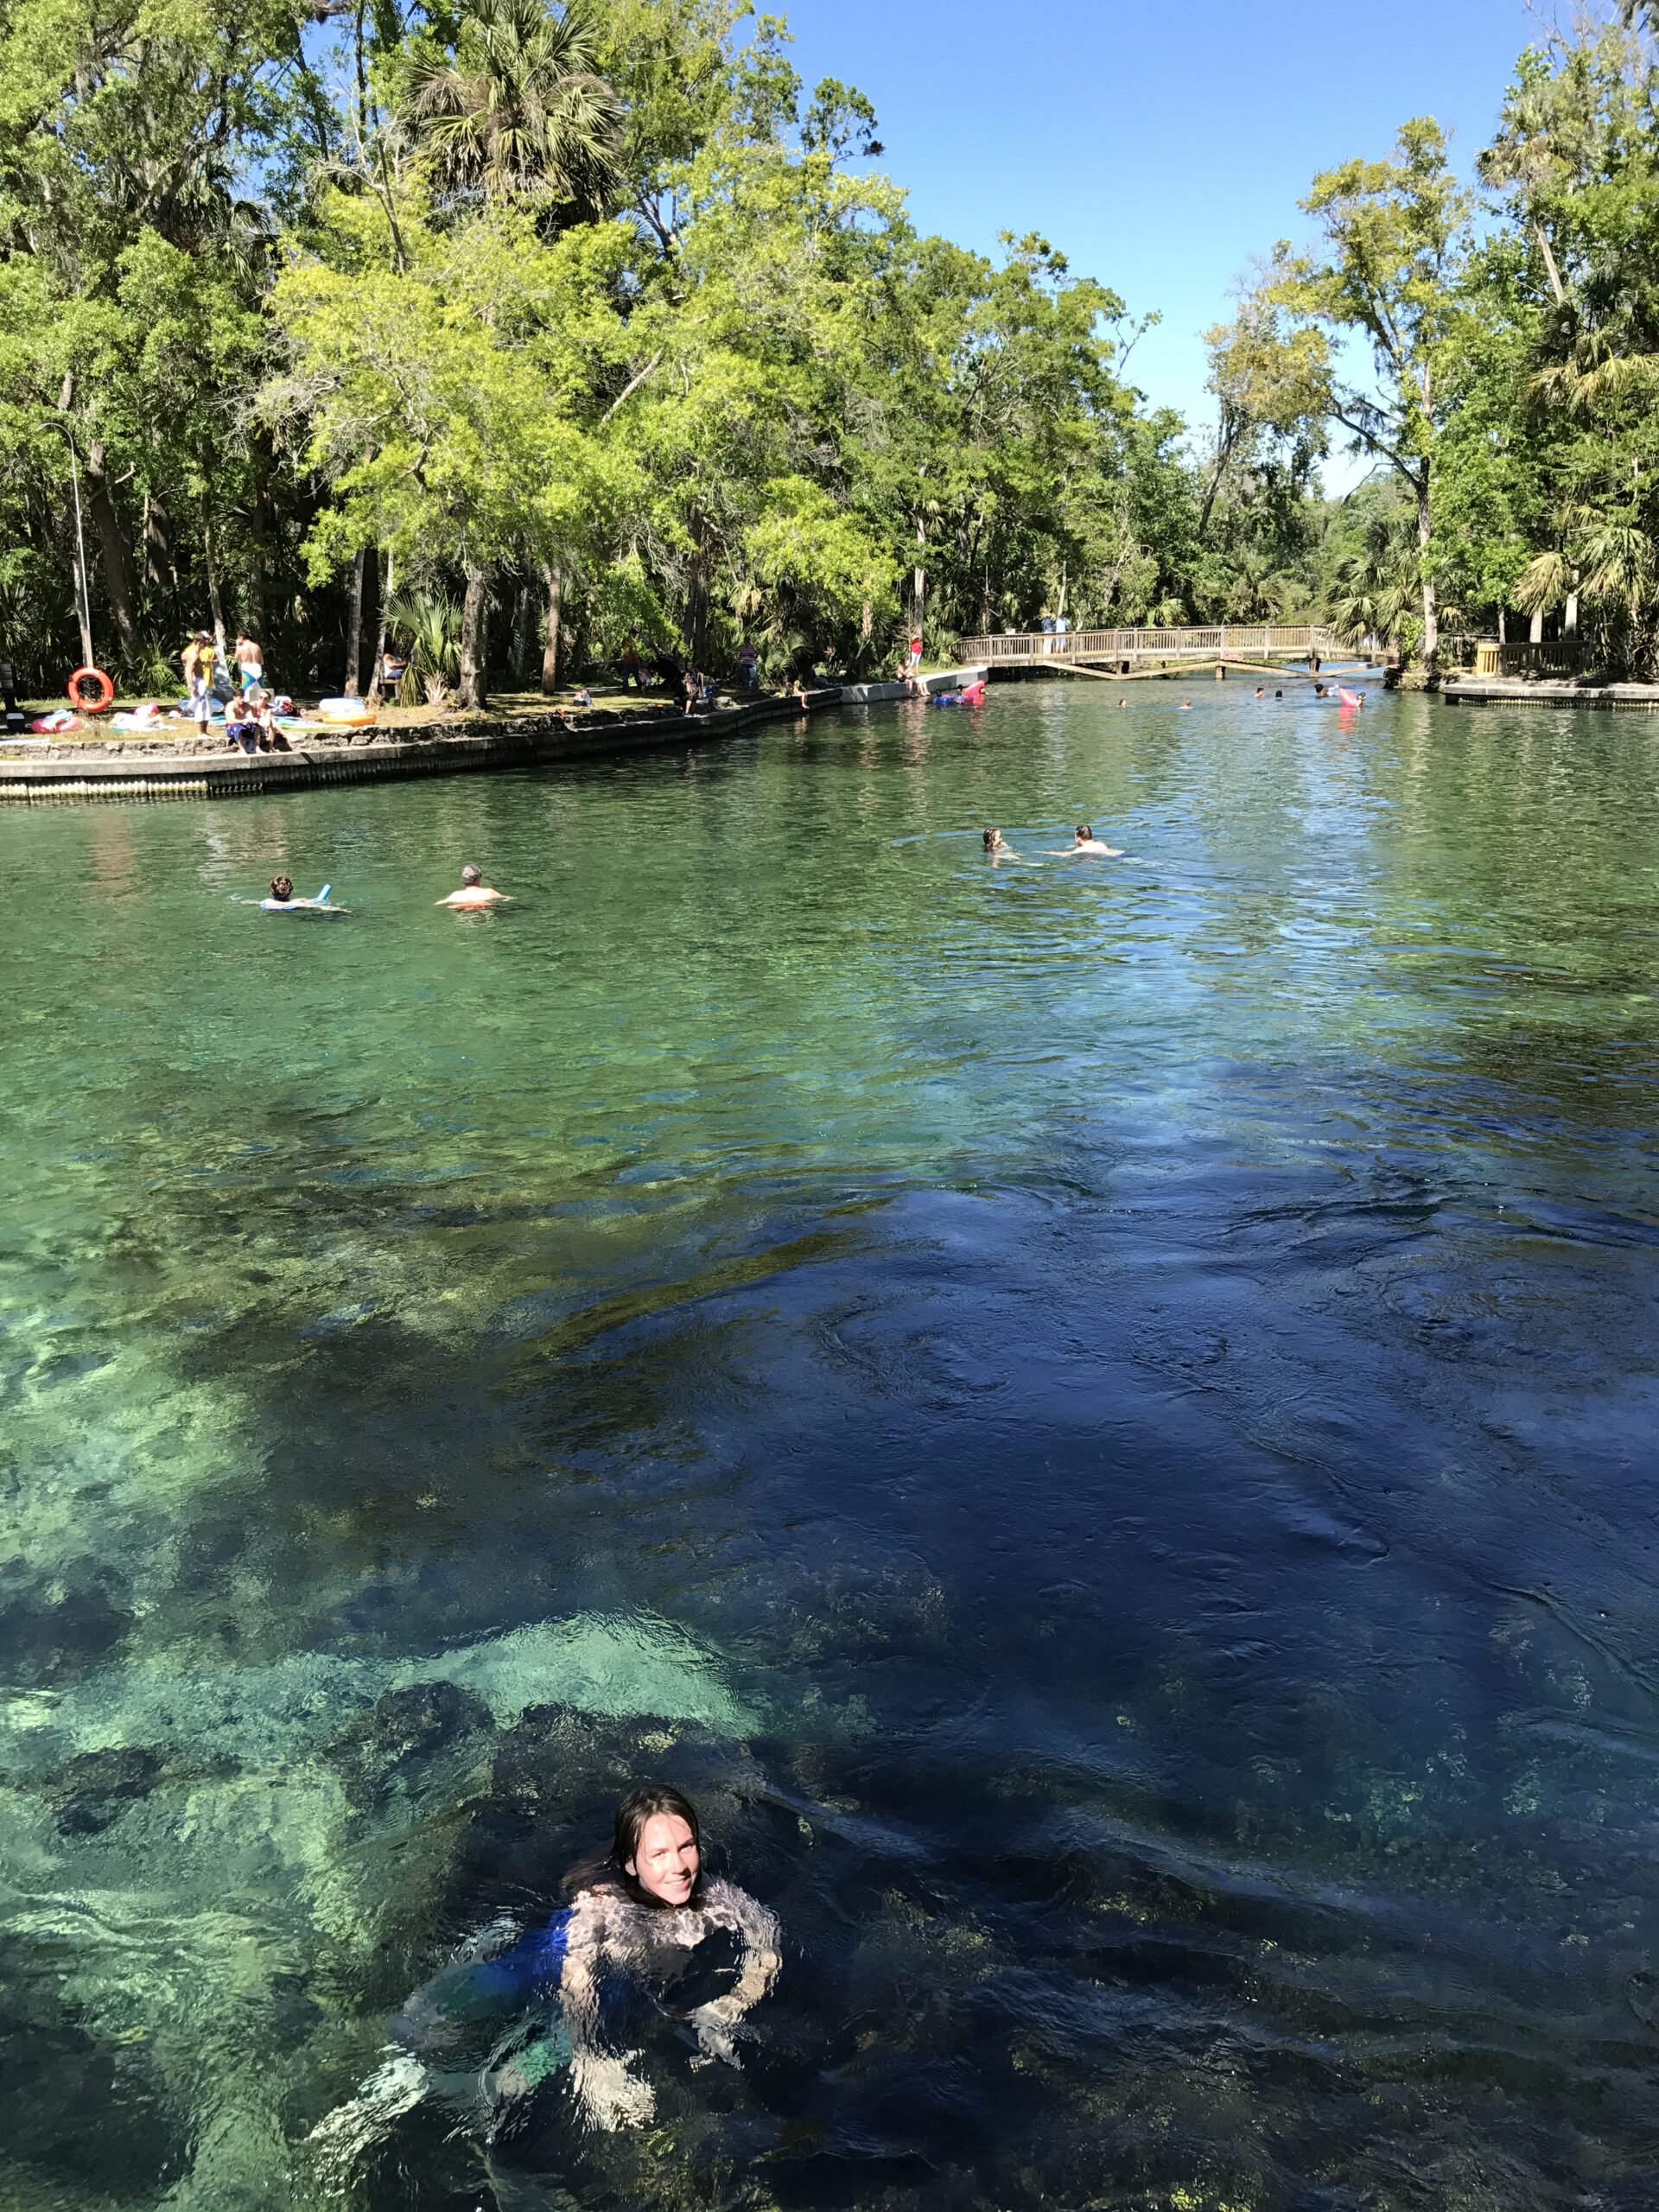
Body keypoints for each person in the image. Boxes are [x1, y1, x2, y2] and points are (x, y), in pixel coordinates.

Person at [307, 1785, 782, 2178]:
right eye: (658, 1854)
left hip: (612, 1994)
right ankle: (389, 2078)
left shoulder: (716, 1897)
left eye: (686, 1846)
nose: (678, 1865)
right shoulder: (603, 1900)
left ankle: (445, 2097)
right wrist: (592, 2062)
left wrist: (727, 2007)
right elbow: (576, 1981)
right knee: (451, 2009)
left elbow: (767, 1942)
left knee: (519, 2074)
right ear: (632, 1864)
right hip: (538, 1969)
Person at [181, 630, 214, 732]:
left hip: (201, 681)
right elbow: (188, 670)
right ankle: (201, 732)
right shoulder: (194, 655)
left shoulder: (197, 653)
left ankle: (204, 731)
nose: (204, 645)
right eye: (203, 643)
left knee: (207, 706)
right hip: (198, 682)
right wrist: (192, 685)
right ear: (199, 643)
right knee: (202, 706)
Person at [439, 863, 507, 910]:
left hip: (464, 913)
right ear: (478, 878)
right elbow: (507, 899)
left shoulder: (456, 895)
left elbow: (439, 904)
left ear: (463, 880)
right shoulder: (489, 892)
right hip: (484, 911)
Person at [1046, 823, 1122, 858]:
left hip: (1117, 858)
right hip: (1121, 854)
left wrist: (1046, 853)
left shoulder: (1080, 850)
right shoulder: (1101, 844)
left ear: (1079, 838)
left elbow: (1065, 854)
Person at [233, 632, 264, 696]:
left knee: (247, 694)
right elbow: (262, 662)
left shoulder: (241, 647)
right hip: (258, 669)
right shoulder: (257, 647)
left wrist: (237, 645)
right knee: (258, 694)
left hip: (247, 670)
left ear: (241, 637)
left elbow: (236, 658)